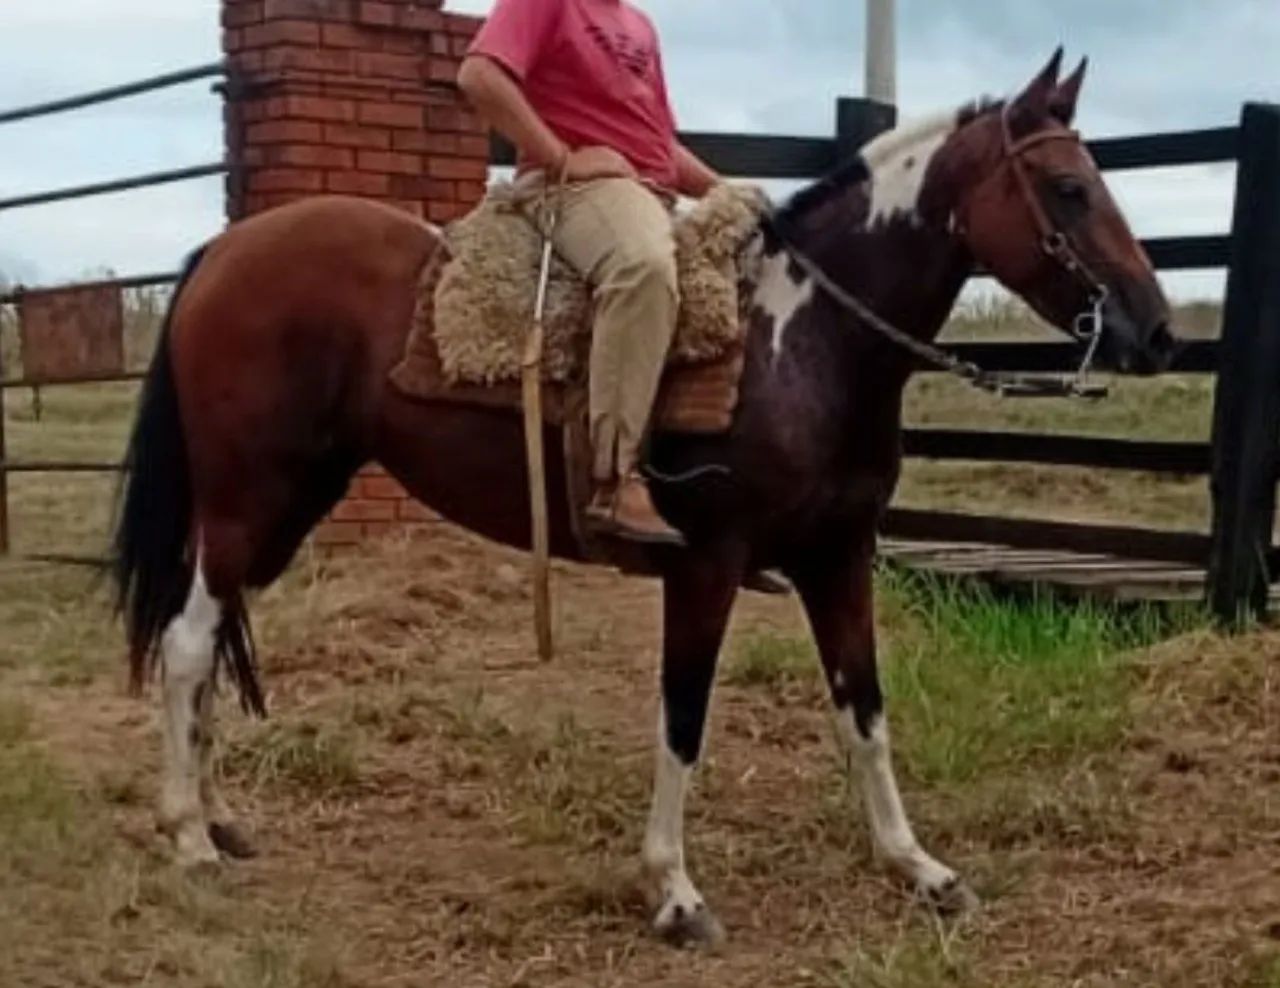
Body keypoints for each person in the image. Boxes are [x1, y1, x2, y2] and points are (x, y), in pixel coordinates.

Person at [457, 0, 720, 546]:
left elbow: (659, 145)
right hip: (576, 191)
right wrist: (561, 157)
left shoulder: (639, 25)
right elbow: (479, 74)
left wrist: (724, 193)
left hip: (649, 195)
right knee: (642, 267)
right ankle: (613, 478)